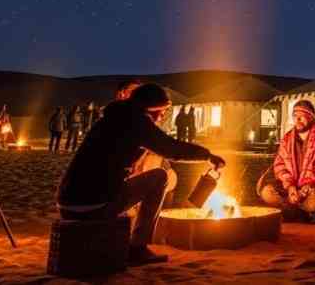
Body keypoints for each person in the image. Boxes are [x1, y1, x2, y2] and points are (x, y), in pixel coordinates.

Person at [57, 83, 226, 266]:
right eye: (162, 111)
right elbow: (171, 149)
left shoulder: (111, 119)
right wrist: (207, 155)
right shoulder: (136, 121)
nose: (162, 117)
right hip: (95, 205)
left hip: (67, 204)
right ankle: (138, 247)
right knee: (160, 178)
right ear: (152, 107)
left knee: (135, 177)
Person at [257, 100, 315, 221]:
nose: (298, 120)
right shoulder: (287, 139)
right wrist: (290, 187)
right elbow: (280, 165)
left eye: (302, 117)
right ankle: (299, 212)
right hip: (290, 187)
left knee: (314, 201)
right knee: (266, 192)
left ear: (311, 118)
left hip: (312, 187)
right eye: (295, 117)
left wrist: (304, 191)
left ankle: (292, 211)